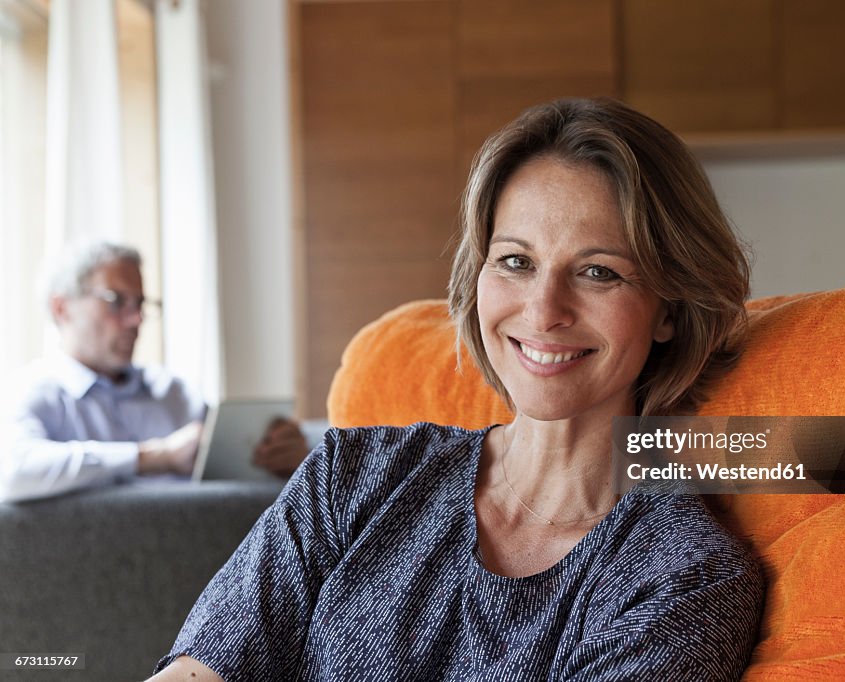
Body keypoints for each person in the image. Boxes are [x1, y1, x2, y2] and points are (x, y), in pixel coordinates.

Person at [151, 98, 763, 680]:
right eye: (516, 262)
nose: (543, 311)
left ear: (670, 311)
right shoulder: (352, 474)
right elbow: (201, 668)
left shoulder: (684, 577)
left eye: (598, 272)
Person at [0, 241, 307, 503]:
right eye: (116, 302)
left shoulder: (174, 392)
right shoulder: (32, 393)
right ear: (61, 308)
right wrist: (151, 457)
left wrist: (291, 457)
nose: (136, 320)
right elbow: (11, 471)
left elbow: (234, 473)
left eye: (140, 304)